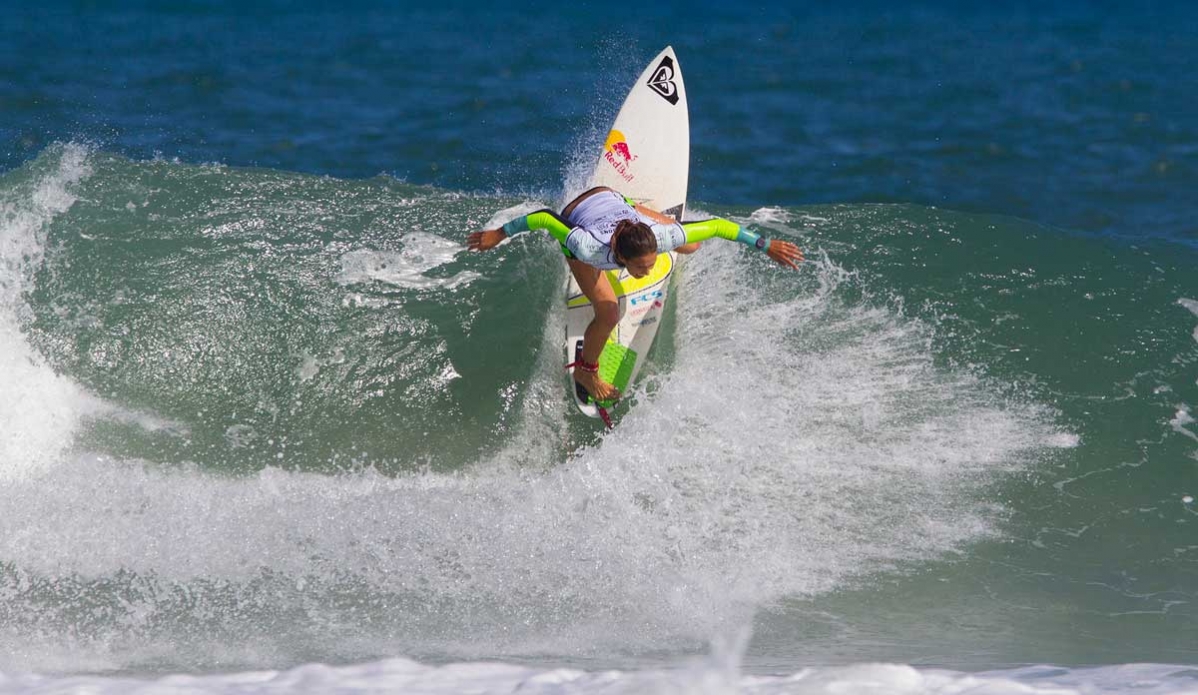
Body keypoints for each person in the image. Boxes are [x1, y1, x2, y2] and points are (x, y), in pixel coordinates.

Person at [468, 186, 803, 403]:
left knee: (691, 245)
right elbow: (544, 218)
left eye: (651, 262)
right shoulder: (588, 247)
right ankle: (586, 371)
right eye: (641, 267)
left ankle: (631, 205)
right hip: (578, 214)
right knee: (609, 312)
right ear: (621, 259)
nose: (648, 270)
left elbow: (718, 226)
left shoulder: (661, 237)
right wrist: (499, 233)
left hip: (613, 199)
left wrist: (766, 245)